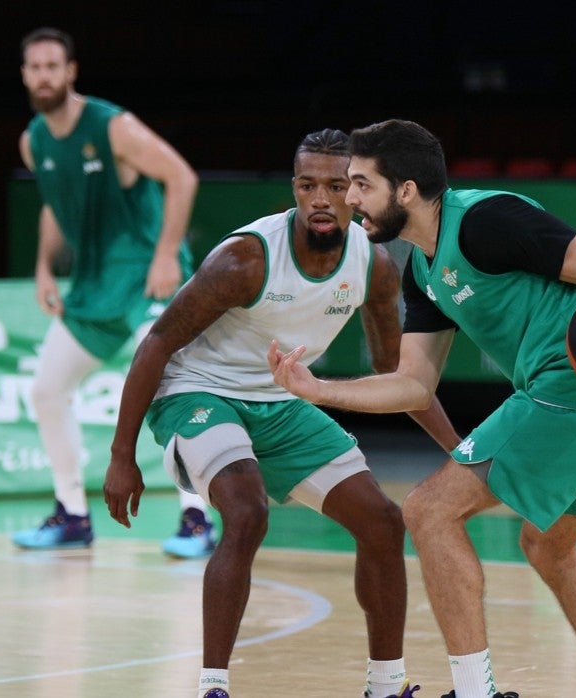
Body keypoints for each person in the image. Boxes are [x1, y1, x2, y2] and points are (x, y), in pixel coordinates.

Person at [270, 119, 576, 698]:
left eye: (362, 185)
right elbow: (413, 386)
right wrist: (318, 389)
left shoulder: (488, 219)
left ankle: (476, 692)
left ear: (407, 190)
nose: (350, 199)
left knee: (428, 511)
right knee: (549, 547)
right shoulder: (422, 272)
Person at [102, 128, 459, 698]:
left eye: (336, 187)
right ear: (294, 188)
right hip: (198, 392)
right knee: (246, 512)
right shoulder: (245, 259)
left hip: (281, 398)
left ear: (357, 192)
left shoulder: (373, 264)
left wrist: (460, 450)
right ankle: (213, 687)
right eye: (307, 185)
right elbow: (157, 345)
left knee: (382, 522)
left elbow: (400, 374)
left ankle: (386, 686)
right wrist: (122, 455)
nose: (321, 199)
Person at [12, 27, 216, 557]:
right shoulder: (34, 141)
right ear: (25, 75)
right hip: (95, 284)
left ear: (70, 72)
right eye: (35, 67)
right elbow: (55, 204)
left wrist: (167, 254)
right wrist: (43, 268)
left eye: (53, 66)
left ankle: (197, 517)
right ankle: (72, 516)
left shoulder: (112, 126)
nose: (44, 76)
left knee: (170, 388)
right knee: (47, 390)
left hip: (149, 277)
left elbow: (181, 177)